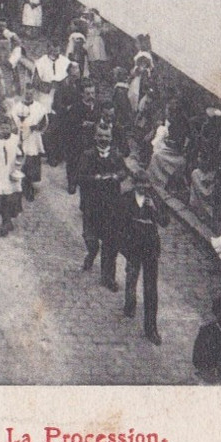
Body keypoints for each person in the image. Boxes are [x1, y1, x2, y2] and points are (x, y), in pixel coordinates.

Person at [76, 120, 127, 289]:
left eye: (106, 136)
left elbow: (124, 171)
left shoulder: (116, 155)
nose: (103, 139)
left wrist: (116, 176)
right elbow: (80, 177)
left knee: (110, 243)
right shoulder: (87, 155)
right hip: (92, 205)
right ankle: (91, 253)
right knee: (91, 238)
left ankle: (107, 277)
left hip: (111, 207)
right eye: (100, 136)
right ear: (95, 137)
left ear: (111, 138)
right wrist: (95, 178)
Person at [120, 171, 170, 345]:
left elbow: (165, 221)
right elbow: (120, 223)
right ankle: (130, 303)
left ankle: (151, 328)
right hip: (133, 246)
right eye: (139, 183)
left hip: (150, 247)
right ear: (134, 184)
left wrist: (154, 210)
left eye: (146, 184)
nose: (143, 187)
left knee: (150, 288)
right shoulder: (126, 198)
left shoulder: (155, 199)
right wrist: (124, 245)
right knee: (131, 275)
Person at [9, 87, 48, 202]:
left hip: (33, 139)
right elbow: (12, 122)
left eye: (31, 94)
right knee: (19, 162)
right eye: (26, 93)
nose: (29, 96)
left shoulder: (39, 107)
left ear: (34, 94)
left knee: (32, 162)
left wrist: (38, 127)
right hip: (20, 138)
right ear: (23, 93)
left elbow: (44, 123)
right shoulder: (17, 107)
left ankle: (29, 185)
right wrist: (18, 130)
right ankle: (18, 185)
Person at [0, 121, 24, 237]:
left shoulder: (16, 139)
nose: (5, 130)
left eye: (7, 128)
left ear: (11, 128)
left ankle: (9, 220)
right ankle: (4, 222)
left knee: (13, 197)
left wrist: (17, 168)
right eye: (2, 128)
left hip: (13, 173)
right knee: (3, 198)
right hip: (0, 173)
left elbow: (22, 155)